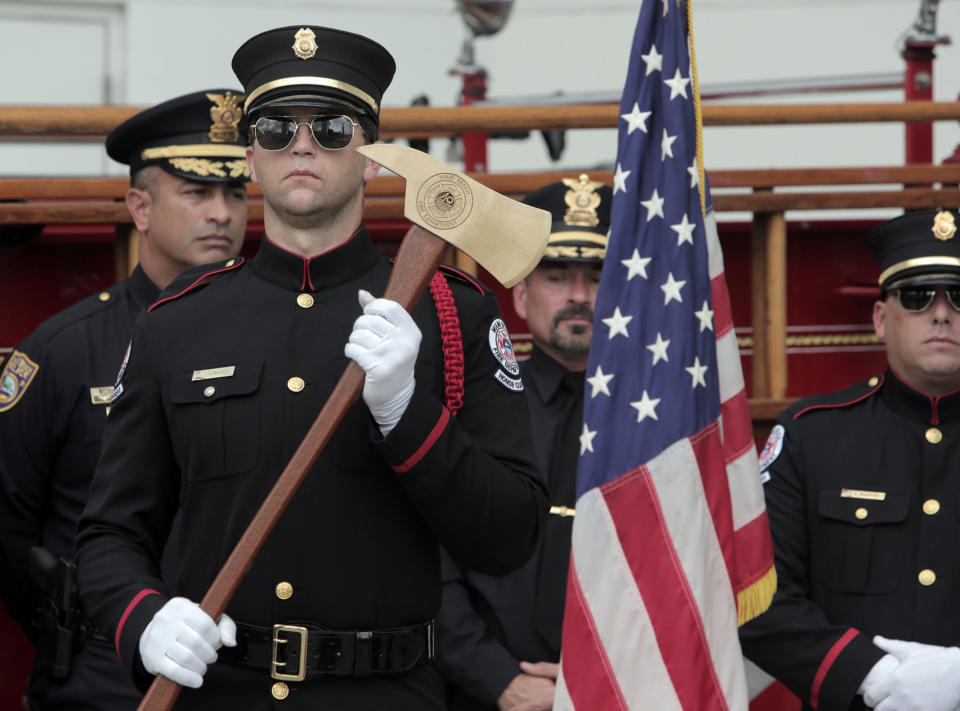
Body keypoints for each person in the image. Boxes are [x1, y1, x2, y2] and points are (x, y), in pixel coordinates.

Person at [75, 24, 547, 711]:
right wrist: (143, 619)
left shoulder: (452, 316)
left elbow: (510, 534)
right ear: (250, 157)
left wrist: (404, 409)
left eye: (331, 126)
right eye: (273, 128)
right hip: (220, 693)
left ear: (371, 157)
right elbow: (110, 531)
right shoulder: (176, 324)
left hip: (385, 692)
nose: (301, 144)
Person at [0, 89, 250, 710]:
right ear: (140, 206)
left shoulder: (274, 338)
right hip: (101, 670)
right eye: (196, 192)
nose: (220, 213)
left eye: (236, 193)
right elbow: (8, 527)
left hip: (241, 669)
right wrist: (81, 629)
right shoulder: (62, 350)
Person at [739, 208, 960, 711]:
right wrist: (873, 676)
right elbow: (757, 595)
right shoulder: (810, 436)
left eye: (959, 297)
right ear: (881, 319)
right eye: (918, 296)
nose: (942, 313)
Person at [437, 176, 610, 711]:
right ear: (520, 293)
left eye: (596, 278)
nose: (579, 297)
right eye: (557, 277)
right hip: (481, 697)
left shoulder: (663, 428)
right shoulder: (479, 407)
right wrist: (499, 682)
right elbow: (431, 561)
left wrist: (610, 681)